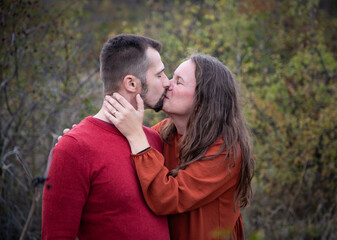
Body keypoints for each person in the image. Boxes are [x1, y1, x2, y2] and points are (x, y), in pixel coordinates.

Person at [103, 54, 255, 240]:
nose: (167, 84)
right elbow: (120, 155)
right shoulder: (165, 132)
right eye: (170, 77)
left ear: (203, 99)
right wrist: (80, 142)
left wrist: (135, 134)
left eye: (179, 82)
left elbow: (167, 198)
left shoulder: (225, 151)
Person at [41, 34, 171, 239]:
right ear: (131, 83)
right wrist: (69, 147)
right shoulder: (74, 148)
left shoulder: (154, 140)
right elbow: (57, 235)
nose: (167, 82)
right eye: (159, 75)